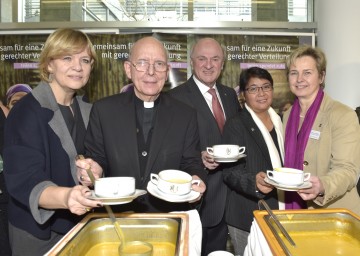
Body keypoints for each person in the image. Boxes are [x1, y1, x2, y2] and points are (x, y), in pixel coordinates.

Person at [76, 36, 207, 214]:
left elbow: (191, 162)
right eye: (143, 63)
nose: (151, 72)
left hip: (168, 217)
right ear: (128, 69)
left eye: (159, 64)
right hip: (117, 216)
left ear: (167, 71)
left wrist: (196, 180)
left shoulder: (185, 114)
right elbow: (97, 158)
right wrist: (94, 171)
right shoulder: (104, 111)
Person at [3, 28, 102, 255]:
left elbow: (93, 161)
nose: (77, 67)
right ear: (49, 64)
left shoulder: (89, 110)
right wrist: (67, 196)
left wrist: (96, 172)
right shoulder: (26, 111)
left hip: (79, 225)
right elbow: (25, 179)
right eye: (67, 57)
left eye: (85, 60)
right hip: (37, 234)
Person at [169, 37, 241, 255]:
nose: (208, 65)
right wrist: (195, 159)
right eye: (202, 58)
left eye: (215, 59)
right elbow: (169, 149)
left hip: (231, 198)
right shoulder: (175, 98)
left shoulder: (230, 96)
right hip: (199, 199)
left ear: (222, 64)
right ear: (192, 62)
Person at [282, 45, 360, 214]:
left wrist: (323, 185)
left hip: (335, 214)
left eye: (307, 73)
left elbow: (348, 170)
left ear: (321, 76)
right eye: (294, 73)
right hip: (295, 211)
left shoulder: (342, 115)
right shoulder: (287, 116)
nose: (299, 79)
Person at [221, 67, 284, 255]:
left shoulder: (281, 121)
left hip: (281, 209)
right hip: (246, 214)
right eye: (253, 88)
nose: (261, 93)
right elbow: (230, 172)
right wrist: (253, 183)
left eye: (266, 87)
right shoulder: (236, 124)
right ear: (243, 94)